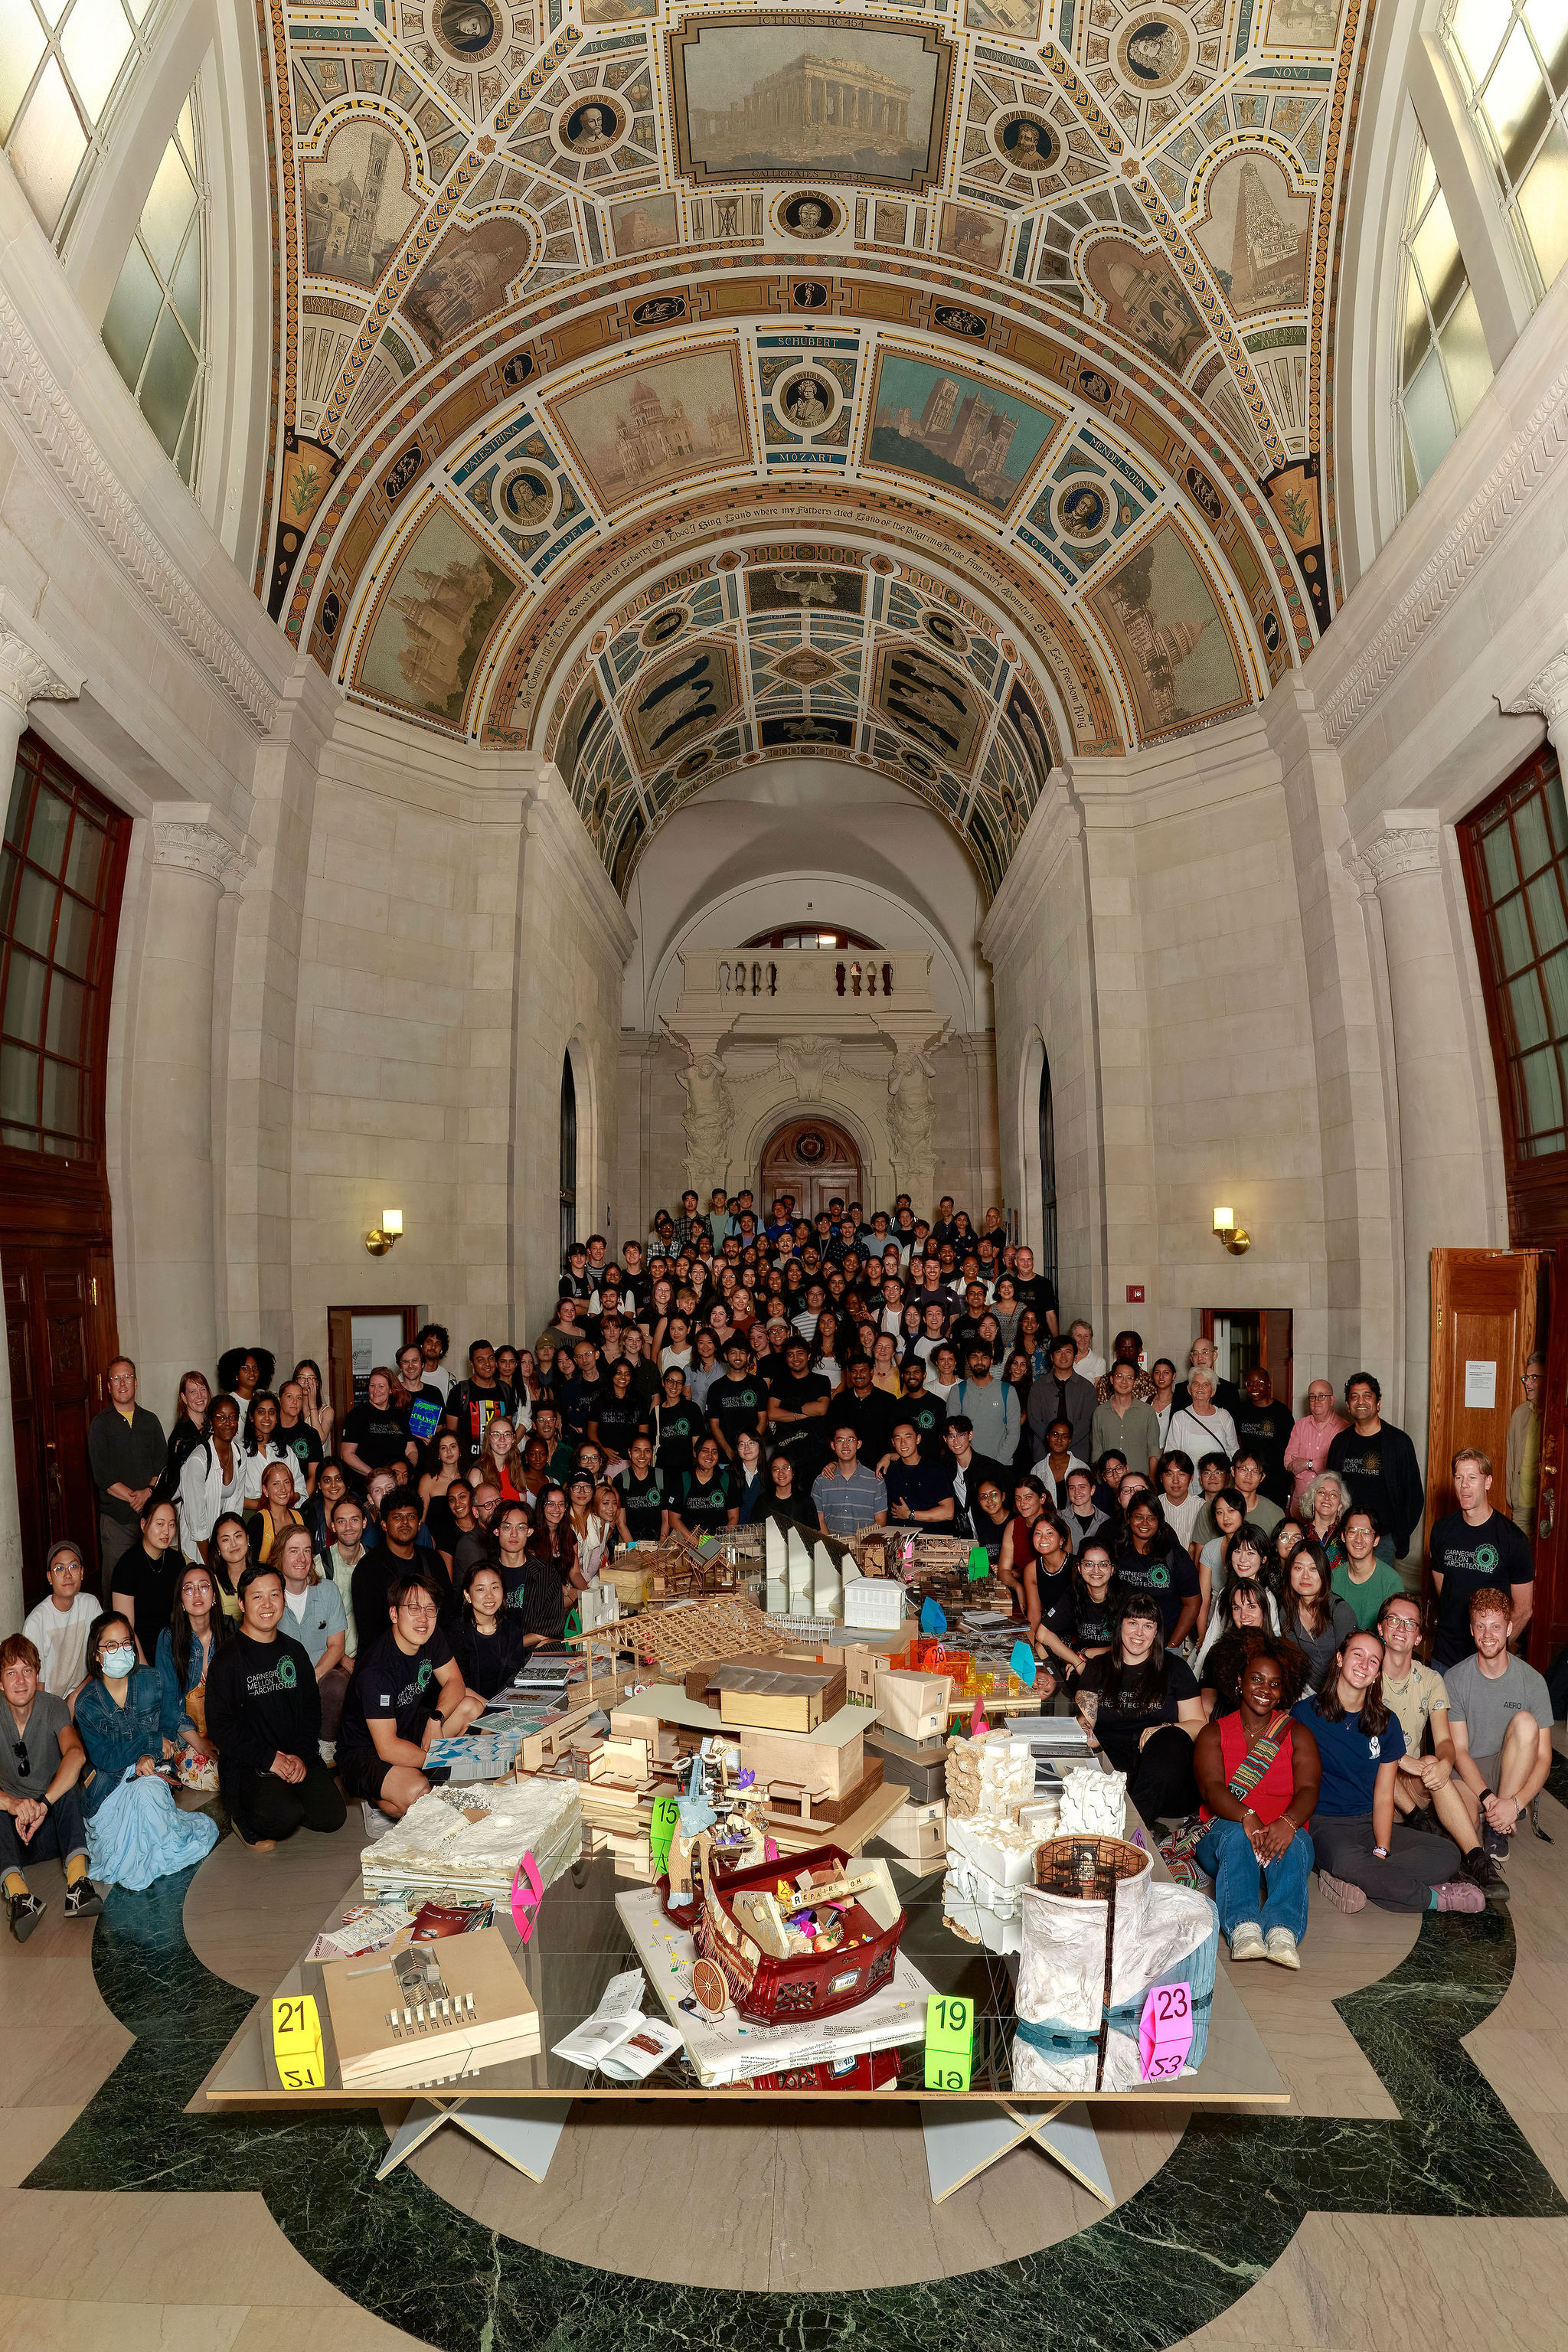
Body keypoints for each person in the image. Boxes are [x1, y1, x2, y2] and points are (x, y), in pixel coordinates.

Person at [1293, 1629, 1479, 1915]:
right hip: (1325, 1825)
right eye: (1357, 1655)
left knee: (1447, 1854)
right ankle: (1434, 1899)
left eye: (1373, 1661)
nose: (1364, 1665)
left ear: (1378, 1674)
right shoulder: (1304, 1715)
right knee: (1348, 1861)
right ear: (1340, 1659)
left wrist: (1382, 1849)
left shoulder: (1385, 1722)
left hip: (1369, 1822)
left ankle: (1356, 1881)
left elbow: (1383, 1795)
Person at [1194, 1636, 1319, 1966]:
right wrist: (1247, 1816)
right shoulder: (1214, 1733)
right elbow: (1212, 1789)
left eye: (1275, 1683)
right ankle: (1244, 1930)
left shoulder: (1297, 1733)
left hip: (1281, 1836)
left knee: (1295, 1842)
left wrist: (1288, 1823)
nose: (1266, 1689)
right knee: (1236, 1835)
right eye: (1257, 1679)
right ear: (1240, 1681)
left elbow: (1309, 1789)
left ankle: (1283, 1933)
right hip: (1228, 1833)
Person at [204, 1564, 348, 1851]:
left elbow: (311, 1710)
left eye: (274, 1594)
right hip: (252, 1765)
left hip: (295, 1756)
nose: (268, 1604)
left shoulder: (294, 1651)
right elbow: (221, 1728)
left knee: (333, 1816)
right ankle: (243, 1816)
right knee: (282, 1818)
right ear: (243, 1604)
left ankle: (285, 1797)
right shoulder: (227, 1659)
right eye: (257, 1597)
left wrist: (302, 1757)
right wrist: (270, 1759)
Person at [74, 1614, 220, 1888]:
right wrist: (147, 1745)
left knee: (148, 1793)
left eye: (127, 1643)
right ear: (97, 1655)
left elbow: (168, 1731)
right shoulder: (87, 1702)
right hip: (109, 1785)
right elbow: (106, 1757)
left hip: (152, 1770)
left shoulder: (152, 1681)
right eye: (112, 1646)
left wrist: (150, 1756)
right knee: (118, 1853)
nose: (122, 1651)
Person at [1377, 1592, 1501, 1894]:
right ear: (1380, 1628)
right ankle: (1421, 1824)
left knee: (1435, 1762)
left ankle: (1477, 1858)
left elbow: (1445, 1740)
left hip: (1409, 1786)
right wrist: (1403, 1760)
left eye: (1410, 1624)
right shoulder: (1365, 1671)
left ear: (1419, 1637)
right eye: (1394, 1620)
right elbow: (1358, 1739)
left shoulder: (1431, 1680)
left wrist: (1445, 1763)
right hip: (1374, 1790)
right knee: (1376, 1762)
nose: (1401, 1627)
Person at [337, 1568, 485, 1820]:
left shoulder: (430, 1635)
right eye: (414, 1609)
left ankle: (412, 1777)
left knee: (472, 1706)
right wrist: (440, 1758)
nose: (424, 1619)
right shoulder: (377, 1670)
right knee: (417, 1792)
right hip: (365, 1750)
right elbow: (387, 1748)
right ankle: (379, 1795)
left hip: (406, 1726)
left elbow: (454, 1682)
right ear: (394, 1613)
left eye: (430, 1609)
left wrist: (436, 1718)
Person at [1444, 1589, 1554, 1879]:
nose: (1488, 1634)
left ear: (1508, 1628)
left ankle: (1499, 1825)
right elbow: (1459, 1751)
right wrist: (1488, 1799)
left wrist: (1515, 1803)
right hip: (1470, 1776)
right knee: (1463, 1834)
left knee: (1526, 1722)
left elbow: (1543, 1757)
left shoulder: (1533, 1681)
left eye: (1495, 1626)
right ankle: (1492, 1815)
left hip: (1511, 1769)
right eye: (1480, 1625)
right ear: (1471, 1630)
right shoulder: (1455, 1678)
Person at [0, 1633, 102, 1938]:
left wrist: (44, 1804)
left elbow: (75, 1754)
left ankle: (78, 1886)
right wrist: (13, 1804)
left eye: (27, 1671)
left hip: (54, 1830)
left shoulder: (54, 1706)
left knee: (69, 1785)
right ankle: (20, 1897)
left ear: (37, 1674)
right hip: (12, 1836)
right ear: (0, 1682)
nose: (20, 1680)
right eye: (11, 1673)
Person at [1074, 1594, 1205, 1824]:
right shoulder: (1098, 1667)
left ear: (1156, 1632)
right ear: (1120, 1625)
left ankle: (1131, 1827)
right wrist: (1085, 1731)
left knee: (1172, 1739)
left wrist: (1162, 1729)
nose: (1139, 1633)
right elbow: (1086, 1721)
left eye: (1148, 1626)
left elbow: (1199, 1725)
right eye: (1133, 1623)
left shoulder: (1175, 1668)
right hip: (1113, 1774)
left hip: (1164, 1776)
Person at [1426, 1446, 1535, 1669]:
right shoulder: (1441, 1531)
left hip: (1488, 1663)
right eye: (1459, 1477)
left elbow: (1524, 1609)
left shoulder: (1513, 1540)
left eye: (1472, 1477)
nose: (1464, 1485)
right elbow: (1443, 1588)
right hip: (1445, 1657)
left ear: (1488, 1482)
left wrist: (1494, 1648)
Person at [87, 1357, 168, 1584]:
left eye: (127, 1377)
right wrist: (134, 1498)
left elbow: (162, 1464)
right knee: (117, 1581)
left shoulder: (150, 1421)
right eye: (116, 1379)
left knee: (151, 1581)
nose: (122, 1384)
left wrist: (148, 1493)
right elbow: (103, 1475)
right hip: (117, 1522)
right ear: (109, 1387)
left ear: (136, 1382)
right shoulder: (100, 1425)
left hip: (151, 1519)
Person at [1326, 1374, 1424, 1560]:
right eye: (1354, 1396)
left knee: (1381, 1589)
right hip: (1345, 1538)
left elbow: (1414, 1497)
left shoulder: (1399, 1443)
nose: (1360, 1401)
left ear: (1378, 1402)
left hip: (1384, 1540)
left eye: (1367, 1395)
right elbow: (1331, 1489)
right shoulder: (1340, 1443)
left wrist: (1398, 1536)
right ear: (1348, 1405)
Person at [154, 1560, 232, 1784]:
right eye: (189, 1588)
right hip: (186, 1734)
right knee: (211, 1777)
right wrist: (199, 1743)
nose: (197, 1593)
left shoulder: (231, 1630)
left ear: (215, 1596)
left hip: (226, 1728)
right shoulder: (168, 1639)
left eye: (204, 1586)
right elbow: (169, 1705)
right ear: (181, 1600)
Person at [274, 1525, 350, 1743]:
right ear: (280, 1554)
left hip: (320, 1674)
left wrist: (312, 1677)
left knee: (337, 1684)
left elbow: (337, 1646)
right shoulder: (270, 1594)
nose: (302, 1558)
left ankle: (327, 1744)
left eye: (307, 1550)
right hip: (280, 1678)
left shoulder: (328, 1590)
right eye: (294, 1550)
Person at [1115, 1493, 1202, 1648]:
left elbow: (1193, 1604)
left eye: (1152, 1518)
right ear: (1128, 1518)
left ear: (1159, 1521)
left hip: (1164, 1644)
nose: (1145, 1523)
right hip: (1124, 1645)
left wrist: (1172, 1647)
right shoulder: (1116, 1552)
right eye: (1138, 1517)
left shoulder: (1174, 1554)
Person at [112, 1496, 188, 1666]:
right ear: (144, 1525)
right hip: (136, 1648)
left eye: (171, 1525)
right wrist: (145, 1666)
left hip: (168, 1643)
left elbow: (180, 1614)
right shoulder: (127, 1566)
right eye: (160, 1524)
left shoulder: (176, 1561)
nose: (166, 1532)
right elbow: (126, 1629)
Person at [22, 1541, 103, 1699]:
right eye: (59, 1569)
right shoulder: (36, 1622)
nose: (67, 1575)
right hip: (50, 1702)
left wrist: (77, 1695)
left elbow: (103, 1655)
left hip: (85, 1694)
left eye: (73, 1567)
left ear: (81, 1573)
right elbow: (36, 1683)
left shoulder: (90, 1605)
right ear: (49, 1577)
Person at [1279, 1538, 1356, 1694]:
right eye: (1298, 1568)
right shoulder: (1287, 1611)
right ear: (1289, 1572)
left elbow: (1349, 1664)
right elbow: (1295, 1661)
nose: (1305, 1576)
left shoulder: (1340, 1610)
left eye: (1313, 1569)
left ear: (1324, 1573)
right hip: (1306, 1690)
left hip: (1342, 1689)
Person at [178, 1396, 247, 1564]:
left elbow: (236, 1508)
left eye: (232, 1417)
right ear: (210, 1422)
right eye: (221, 1417)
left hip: (223, 1547)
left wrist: (230, 1550)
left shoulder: (240, 1455)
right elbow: (197, 1522)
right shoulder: (198, 1460)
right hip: (196, 1548)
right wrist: (211, 1564)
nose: (228, 1422)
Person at [453, 1564, 531, 1698]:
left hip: (504, 1705)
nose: (489, 1596)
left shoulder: (512, 1630)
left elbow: (515, 1679)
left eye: (495, 1587)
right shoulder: (457, 1633)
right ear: (468, 1595)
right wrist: (488, 1706)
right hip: (468, 1707)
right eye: (480, 1589)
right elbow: (458, 1687)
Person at [1283, 1377, 1350, 1519]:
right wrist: (1321, 1464)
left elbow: (1339, 1467)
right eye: (1312, 1397)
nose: (1316, 1401)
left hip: (1329, 1511)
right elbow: (1288, 1461)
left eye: (1322, 1396)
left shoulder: (1345, 1429)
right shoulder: (1300, 1426)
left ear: (1331, 1400)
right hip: (1299, 1508)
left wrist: (1308, 1464)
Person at [1331, 1507, 1406, 1631]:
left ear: (1376, 1540)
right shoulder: (1333, 1578)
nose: (1359, 1540)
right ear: (1343, 1537)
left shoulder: (1391, 1581)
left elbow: (1395, 1631)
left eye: (1366, 1532)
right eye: (1353, 1531)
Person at [1027, 1333, 1097, 1462]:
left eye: (1068, 1352)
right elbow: (1035, 1420)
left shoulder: (1087, 1388)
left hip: (1077, 1453)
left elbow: (1087, 1422)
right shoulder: (1038, 1387)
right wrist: (1053, 1441)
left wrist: (1064, 1442)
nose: (1063, 1356)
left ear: (1075, 1357)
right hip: (1044, 1454)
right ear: (1052, 1357)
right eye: (1059, 1352)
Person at [1089, 1357, 1161, 1481]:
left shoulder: (1147, 1412)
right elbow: (1097, 1454)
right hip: (1110, 1485)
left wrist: (1153, 1484)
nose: (1124, 1382)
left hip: (1140, 1483)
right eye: (1119, 1376)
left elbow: (1153, 1452)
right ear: (1112, 1379)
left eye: (1129, 1377)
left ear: (1135, 1382)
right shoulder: (1100, 1413)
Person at [812, 1423, 887, 1537]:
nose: (845, 1445)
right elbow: (819, 1521)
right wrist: (831, 1547)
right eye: (840, 1441)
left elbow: (880, 1522)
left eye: (851, 1440)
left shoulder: (875, 1480)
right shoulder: (821, 1481)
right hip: (831, 1548)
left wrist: (862, 1544)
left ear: (859, 1444)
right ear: (833, 1445)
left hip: (865, 1548)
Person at [1230, 1370, 1292, 1508]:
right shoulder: (1241, 1411)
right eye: (1250, 1383)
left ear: (1269, 1385)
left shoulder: (1282, 1413)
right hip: (1248, 1478)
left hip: (1275, 1480)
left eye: (1260, 1383)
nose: (1254, 1387)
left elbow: (1289, 1449)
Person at [952, 1342, 1020, 1462]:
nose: (979, 1362)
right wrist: (967, 1462)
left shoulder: (1008, 1391)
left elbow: (1014, 1433)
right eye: (974, 1357)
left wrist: (997, 1464)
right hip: (967, 1466)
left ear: (992, 1361)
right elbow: (953, 1432)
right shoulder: (958, 1391)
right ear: (967, 1362)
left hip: (1001, 1465)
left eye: (984, 1357)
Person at [883, 1417, 956, 1525]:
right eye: (898, 1439)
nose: (903, 1443)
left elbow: (948, 1513)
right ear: (893, 1443)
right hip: (897, 1537)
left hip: (929, 1537)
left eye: (908, 1437)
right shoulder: (887, 1470)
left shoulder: (934, 1470)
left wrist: (910, 1514)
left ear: (918, 1439)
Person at [1163, 1368, 1238, 1466]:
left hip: (1218, 1479)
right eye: (1196, 1384)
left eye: (1206, 1384)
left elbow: (1234, 1451)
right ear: (1189, 1390)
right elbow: (1171, 1454)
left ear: (1213, 1392)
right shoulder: (1179, 1417)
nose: (1200, 1387)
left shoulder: (1224, 1416)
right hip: (1189, 1480)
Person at [1505, 1354, 1544, 1539]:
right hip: (1521, 1507)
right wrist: (1512, 1496)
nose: (1528, 1383)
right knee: (1519, 1561)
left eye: (1534, 1378)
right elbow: (1511, 1460)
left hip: (1547, 1507)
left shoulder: (1556, 1417)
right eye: (1526, 1378)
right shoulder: (1520, 1415)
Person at [1072, 1540, 1122, 1656]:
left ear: (1112, 1570)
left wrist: (1089, 1653)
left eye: (1103, 1565)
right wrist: (1076, 1661)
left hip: (1120, 1665)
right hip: (1086, 1663)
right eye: (1089, 1564)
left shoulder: (1128, 1598)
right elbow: (1043, 1634)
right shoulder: (1075, 1593)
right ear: (1079, 1568)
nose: (1096, 1570)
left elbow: (1138, 1645)